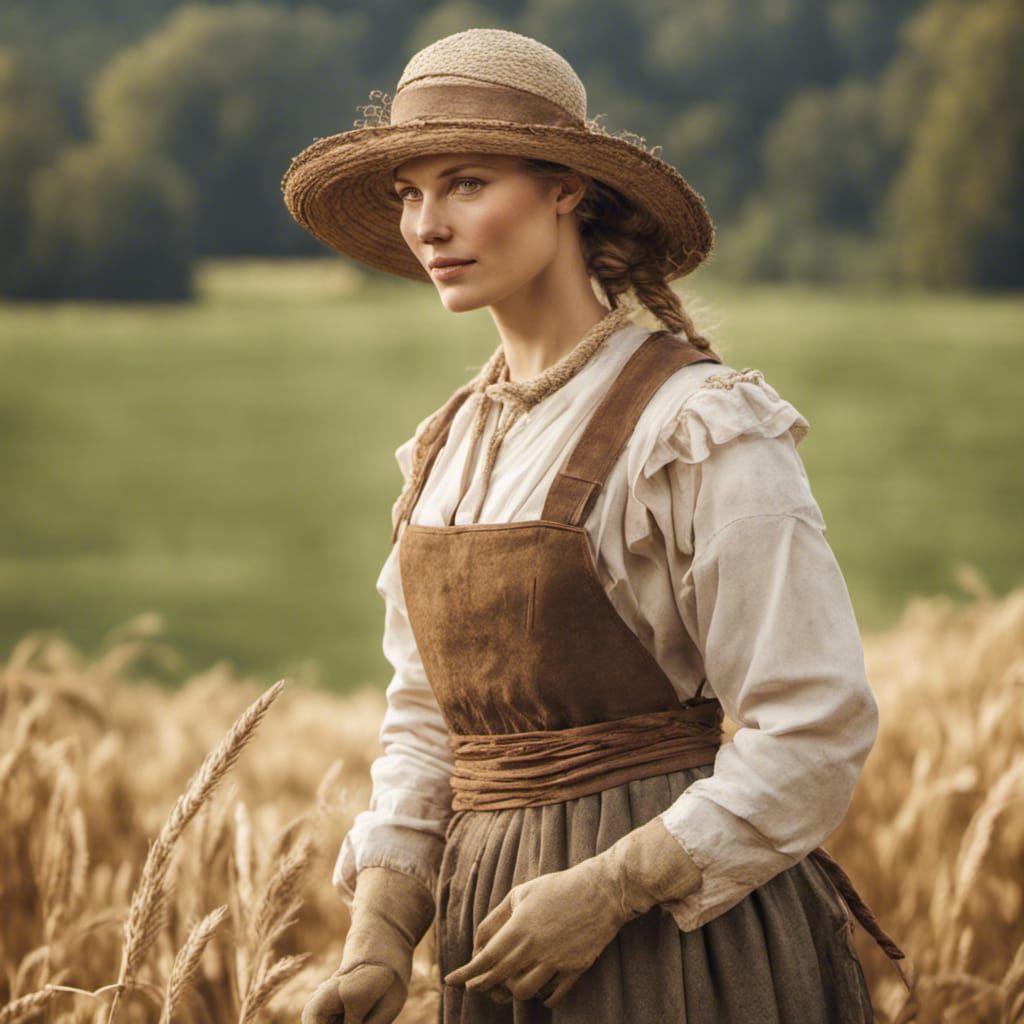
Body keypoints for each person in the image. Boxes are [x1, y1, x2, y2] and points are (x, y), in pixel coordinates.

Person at [283, 27, 913, 1024]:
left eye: (465, 183)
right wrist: (379, 941)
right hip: (486, 948)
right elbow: (425, 719)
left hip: (679, 948)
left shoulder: (696, 425)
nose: (427, 224)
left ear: (566, 188)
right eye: (410, 192)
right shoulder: (443, 453)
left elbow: (814, 722)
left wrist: (609, 891)